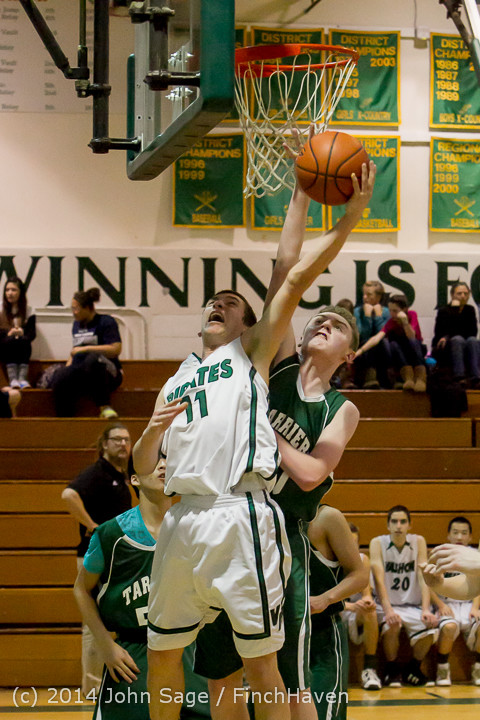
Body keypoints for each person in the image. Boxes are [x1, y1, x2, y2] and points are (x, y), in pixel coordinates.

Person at [133, 156, 376, 720]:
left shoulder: (263, 363)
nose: (218, 305)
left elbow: (291, 275)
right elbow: (147, 469)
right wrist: (301, 187)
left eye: (231, 304)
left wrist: (345, 217)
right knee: (188, 661)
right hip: (187, 515)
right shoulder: (186, 376)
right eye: (212, 302)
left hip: (257, 518)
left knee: (276, 675)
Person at [73, 458, 211, 719]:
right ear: (134, 479)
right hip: (134, 653)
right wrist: (106, 645)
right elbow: (81, 589)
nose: (163, 465)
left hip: (190, 650)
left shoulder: (198, 528)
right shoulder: (111, 534)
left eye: (167, 460)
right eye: (154, 461)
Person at [62, 423, 133, 696]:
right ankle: (92, 687)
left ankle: (104, 683)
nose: (123, 444)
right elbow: (68, 495)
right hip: (94, 557)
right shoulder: (97, 473)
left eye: (127, 440)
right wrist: (92, 525)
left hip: (114, 556)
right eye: (117, 439)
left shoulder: (120, 474)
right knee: (94, 624)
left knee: (107, 620)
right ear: (104, 444)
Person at [308, 505, 367, 720]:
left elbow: (360, 575)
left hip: (323, 633)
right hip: (281, 638)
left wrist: (326, 598)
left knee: (323, 713)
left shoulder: (326, 517)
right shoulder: (268, 513)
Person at [369, 505, 438, 687]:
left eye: (403, 521)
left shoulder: (418, 541)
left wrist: (426, 609)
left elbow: (423, 578)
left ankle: (413, 669)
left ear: (409, 525)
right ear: (388, 525)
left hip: (412, 605)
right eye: (394, 521)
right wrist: (388, 610)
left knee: (431, 628)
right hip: (386, 604)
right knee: (393, 625)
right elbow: (379, 580)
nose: (398, 526)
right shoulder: (377, 543)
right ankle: (392, 669)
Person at [52, 287, 123, 418]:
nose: (74, 313)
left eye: (76, 308)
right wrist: (66, 371)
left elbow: (115, 349)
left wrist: (86, 348)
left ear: (88, 308)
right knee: (59, 376)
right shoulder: (76, 325)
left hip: (107, 372)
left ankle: (105, 406)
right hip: (83, 371)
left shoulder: (106, 322)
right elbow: (74, 352)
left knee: (92, 359)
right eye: (72, 308)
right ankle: (65, 418)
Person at [428, 517, 480, 686]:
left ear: (470, 537)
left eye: (464, 533)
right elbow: (428, 583)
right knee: (449, 627)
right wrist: (440, 604)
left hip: (468, 604)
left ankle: (478, 667)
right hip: (447, 604)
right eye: (455, 532)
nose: (459, 537)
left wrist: (475, 607)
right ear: (448, 535)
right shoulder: (440, 553)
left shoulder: (475, 556)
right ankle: (442, 668)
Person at [355, 294, 426, 392]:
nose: (392, 314)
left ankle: (420, 378)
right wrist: (359, 352)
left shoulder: (412, 314)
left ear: (404, 309)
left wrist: (405, 322)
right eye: (390, 311)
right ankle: (408, 377)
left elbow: (412, 337)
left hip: (415, 349)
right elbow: (376, 338)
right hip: (401, 354)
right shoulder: (391, 322)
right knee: (393, 344)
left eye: (395, 311)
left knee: (414, 342)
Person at [341, 523, 381, 691]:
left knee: (370, 612)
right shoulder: (328, 560)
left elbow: (366, 594)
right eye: (347, 543)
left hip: (352, 612)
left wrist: (367, 601)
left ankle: (369, 669)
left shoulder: (362, 560)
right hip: (331, 610)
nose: (351, 548)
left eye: (354, 543)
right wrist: (349, 606)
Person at [431, 281, 480, 388]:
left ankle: (476, 378)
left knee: (473, 340)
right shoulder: (444, 311)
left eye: (465, 293)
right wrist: (455, 311)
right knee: (458, 339)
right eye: (459, 293)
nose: (463, 296)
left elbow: (473, 332)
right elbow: (439, 332)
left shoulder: (470, 310)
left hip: (466, 342)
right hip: (447, 343)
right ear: (452, 295)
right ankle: (459, 376)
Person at [353, 281, 390, 389]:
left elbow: (382, 333)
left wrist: (378, 316)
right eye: (364, 294)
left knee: (380, 343)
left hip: (382, 349)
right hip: (363, 348)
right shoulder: (358, 311)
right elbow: (362, 334)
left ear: (378, 297)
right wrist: (367, 317)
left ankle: (382, 378)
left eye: (369, 294)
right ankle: (370, 376)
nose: (365, 297)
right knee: (367, 342)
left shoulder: (386, 312)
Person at [0, 276, 36, 389]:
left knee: (24, 341)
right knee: (11, 340)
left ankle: (22, 378)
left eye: (13, 290)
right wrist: (8, 333)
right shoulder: (0, 308)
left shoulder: (29, 310)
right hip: (4, 346)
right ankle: (12, 378)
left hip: (21, 347)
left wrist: (22, 332)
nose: (10, 293)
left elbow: (32, 334)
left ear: (21, 292)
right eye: (7, 290)